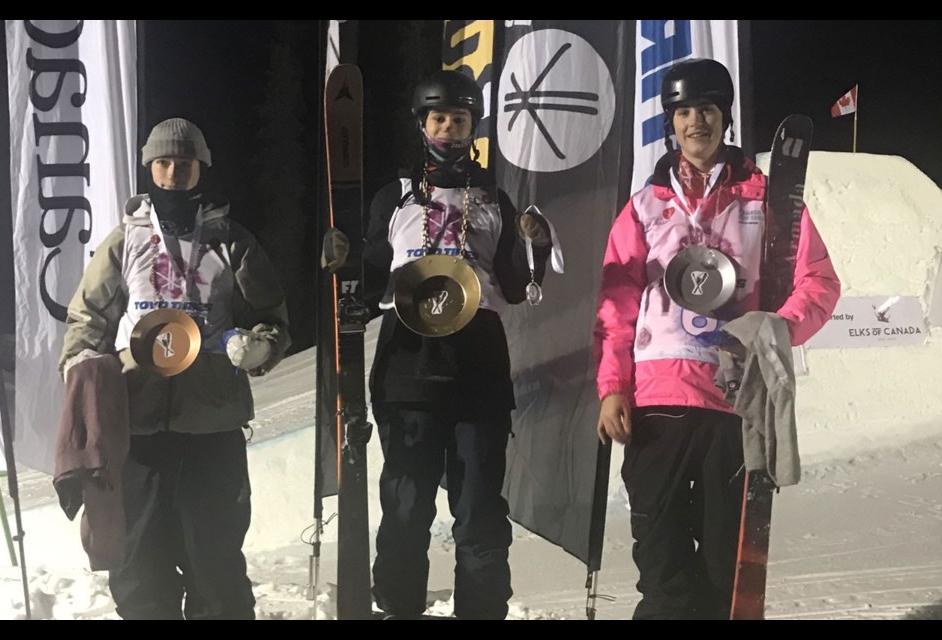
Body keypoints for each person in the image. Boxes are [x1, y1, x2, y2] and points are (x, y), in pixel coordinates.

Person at [592, 58, 841, 619]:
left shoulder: (767, 200)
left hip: (733, 402)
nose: (695, 122)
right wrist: (612, 387)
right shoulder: (644, 206)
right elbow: (615, 306)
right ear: (670, 122)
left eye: (706, 109)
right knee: (661, 567)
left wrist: (776, 328)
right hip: (656, 406)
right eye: (683, 112)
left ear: (724, 117)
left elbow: (819, 283)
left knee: (725, 571)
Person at [323, 69, 554, 620]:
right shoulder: (394, 197)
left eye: (460, 119)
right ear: (422, 124)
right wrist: (343, 266)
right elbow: (373, 278)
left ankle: (482, 610)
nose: (449, 128)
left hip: (478, 372)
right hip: (408, 371)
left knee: (478, 510)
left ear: (475, 126)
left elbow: (518, 288)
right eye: (439, 118)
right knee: (405, 508)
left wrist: (536, 248)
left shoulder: (496, 196)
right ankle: (399, 608)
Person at [59, 117, 291, 620]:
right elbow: (87, 317)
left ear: (200, 169)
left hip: (212, 425)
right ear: (150, 169)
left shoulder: (232, 240)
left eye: (184, 164)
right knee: (139, 565)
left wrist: (260, 348)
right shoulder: (124, 242)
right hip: (137, 427)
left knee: (216, 564)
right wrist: (83, 366)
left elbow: (273, 319)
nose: (173, 172)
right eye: (163, 163)